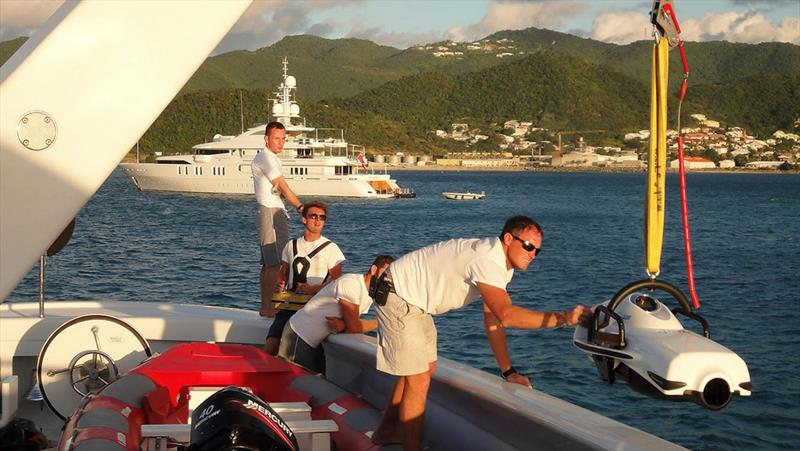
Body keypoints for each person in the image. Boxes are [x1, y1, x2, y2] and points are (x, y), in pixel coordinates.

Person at [371, 216, 592, 450]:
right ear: (508, 238)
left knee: (423, 368)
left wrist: (508, 371)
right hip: (398, 295)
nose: (532, 254)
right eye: (528, 246)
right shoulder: (487, 260)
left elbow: (494, 319)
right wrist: (564, 318)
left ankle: (385, 432)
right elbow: (507, 315)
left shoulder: (500, 266)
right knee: (419, 378)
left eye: (537, 250)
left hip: (414, 301)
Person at [278, 255, 396, 374]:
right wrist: (381, 320)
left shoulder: (367, 296)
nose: (386, 280)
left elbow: (350, 325)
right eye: (384, 274)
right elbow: (354, 327)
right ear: (374, 269)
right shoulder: (351, 284)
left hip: (315, 342)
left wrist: (344, 325)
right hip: (299, 334)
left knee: (316, 382)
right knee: (296, 382)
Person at [264, 201, 345, 355]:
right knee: (272, 342)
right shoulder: (291, 245)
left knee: (294, 347)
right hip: (291, 304)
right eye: (313, 216)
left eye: (322, 217)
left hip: (314, 307)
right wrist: (279, 285)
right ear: (304, 219)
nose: (318, 220)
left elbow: (336, 283)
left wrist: (311, 289)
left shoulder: (331, 249)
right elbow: (284, 272)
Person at [252, 121, 303, 319]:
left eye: (283, 139)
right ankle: (270, 308)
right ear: (266, 139)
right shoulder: (266, 158)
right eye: (276, 139)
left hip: (270, 210)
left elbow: (276, 188)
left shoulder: (270, 158)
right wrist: (300, 207)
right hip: (271, 212)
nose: (281, 143)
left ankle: (266, 307)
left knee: (268, 264)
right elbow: (280, 184)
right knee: (275, 264)